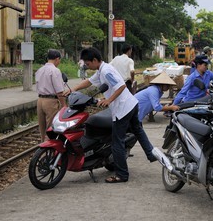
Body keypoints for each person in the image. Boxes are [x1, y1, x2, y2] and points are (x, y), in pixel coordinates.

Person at [66, 47, 154, 183]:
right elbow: (89, 81)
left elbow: (121, 86)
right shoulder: (102, 69)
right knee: (137, 130)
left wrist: (108, 100)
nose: (88, 67)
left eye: (88, 64)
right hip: (131, 104)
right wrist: (73, 89)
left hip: (123, 108)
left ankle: (122, 175)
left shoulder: (106, 71)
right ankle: (151, 153)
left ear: (95, 60)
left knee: (116, 143)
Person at [35, 49, 67, 142]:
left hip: (40, 100)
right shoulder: (55, 71)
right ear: (57, 59)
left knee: (42, 129)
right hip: (50, 101)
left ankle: (43, 150)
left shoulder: (40, 70)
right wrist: (64, 105)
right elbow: (59, 91)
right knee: (51, 129)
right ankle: (50, 151)